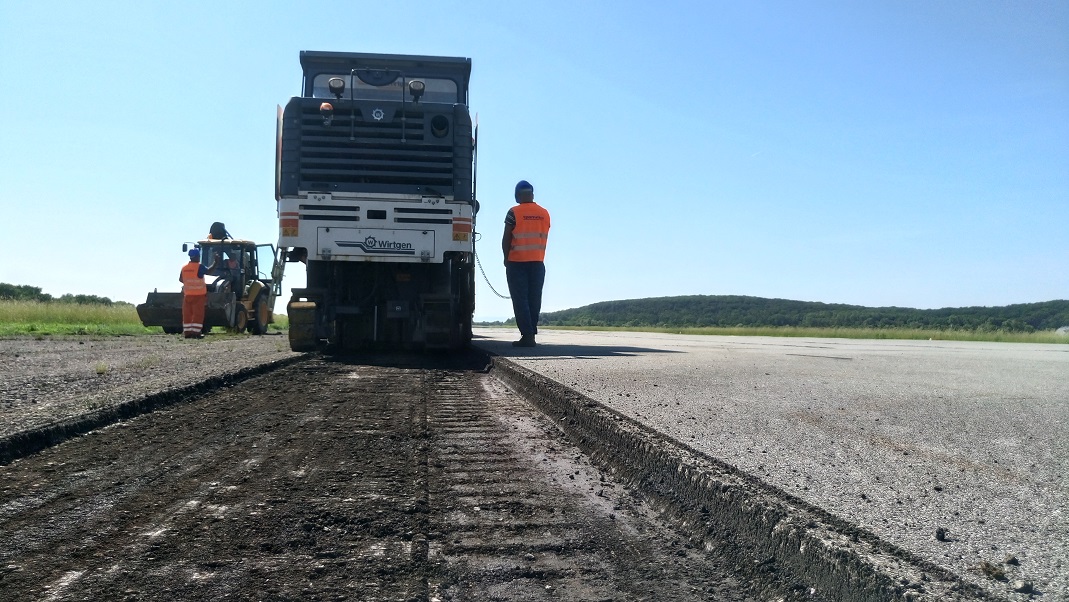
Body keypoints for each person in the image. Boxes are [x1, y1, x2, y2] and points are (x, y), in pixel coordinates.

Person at [502, 180, 550, 347]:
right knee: (534, 299)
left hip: (517, 262)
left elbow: (506, 237)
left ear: (517, 195)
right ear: (532, 194)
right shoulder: (545, 213)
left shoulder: (513, 212)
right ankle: (531, 333)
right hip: (538, 262)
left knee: (520, 299)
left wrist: (506, 258)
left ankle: (527, 335)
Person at [179, 248, 208, 338]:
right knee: (198, 314)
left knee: (187, 314)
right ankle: (196, 333)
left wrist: (188, 283)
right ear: (197, 257)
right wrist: (215, 262)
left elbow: (180, 279)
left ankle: (187, 333)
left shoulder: (184, 268)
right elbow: (210, 271)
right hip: (199, 295)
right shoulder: (199, 267)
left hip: (187, 295)